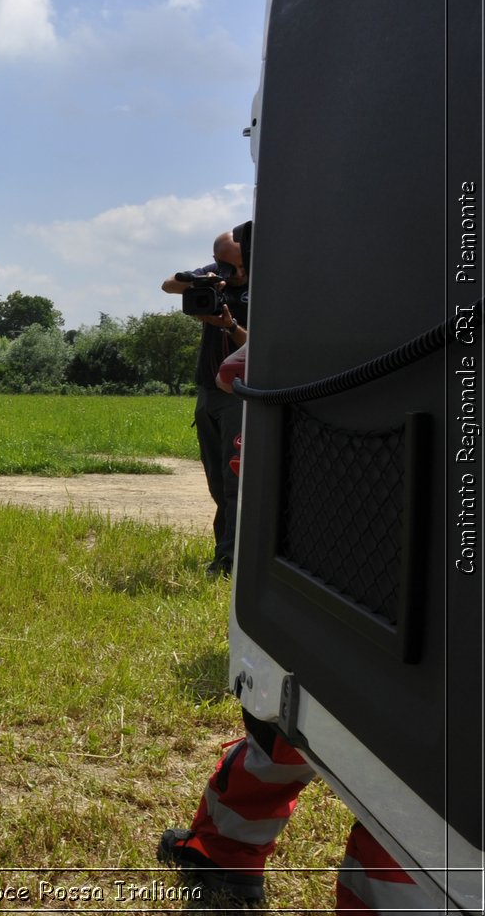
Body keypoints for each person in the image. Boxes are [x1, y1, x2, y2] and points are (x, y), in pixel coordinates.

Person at [159, 348, 438, 913]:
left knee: (305, 726)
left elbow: (243, 372)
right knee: (404, 780)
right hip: (374, 563)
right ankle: (221, 854)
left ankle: (223, 853)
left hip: (347, 548)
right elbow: (243, 371)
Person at [161, 222, 250, 576]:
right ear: (216, 261)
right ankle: (226, 552)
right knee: (216, 479)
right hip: (208, 392)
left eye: (242, 264)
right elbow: (168, 285)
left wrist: (228, 325)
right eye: (228, 265)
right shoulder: (214, 278)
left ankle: (228, 561)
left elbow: (257, 348)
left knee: (235, 481)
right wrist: (202, 283)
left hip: (240, 393)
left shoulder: (268, 287)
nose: (237, 272)